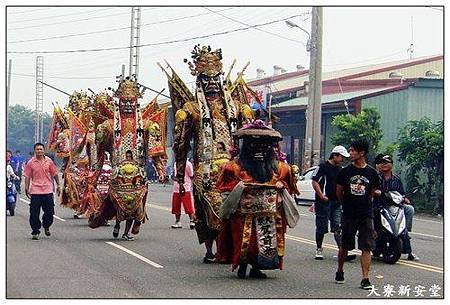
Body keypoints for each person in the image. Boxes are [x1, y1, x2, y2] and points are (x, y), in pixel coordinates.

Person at [164, 45, 254, 263]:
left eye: (216, 78)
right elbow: (181, 143)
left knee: (238, 210)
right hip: (206, 168)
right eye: (206, 79)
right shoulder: (192, 108)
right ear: (199, 80)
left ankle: (236, 248)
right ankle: (210, 249)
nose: (212, 84)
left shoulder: (236, 106)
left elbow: (249, 137)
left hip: (235, 167)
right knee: (209, 212)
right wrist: (179, 172)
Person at [216, 120, 299, 279]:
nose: (259, 149)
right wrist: (239, 188)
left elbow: (287, 189)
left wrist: (281, 186)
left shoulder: (282, 168)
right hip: (243, 213)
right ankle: (241, 264)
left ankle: (256, 267)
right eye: (254, 144)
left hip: (270, 214)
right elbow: (226, 189)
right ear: (246, 146)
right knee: (244, 239)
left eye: (264, 145)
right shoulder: (233, 167)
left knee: (264, 241)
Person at [335, 139, 379, 290]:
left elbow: (372, 192)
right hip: (349, 213)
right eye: (350, 150)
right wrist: (345, 204)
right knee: (345, 245)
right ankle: (340, 269)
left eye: (353, 150)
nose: (350, 153)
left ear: (362, 153)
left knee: (366, 245)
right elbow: (339, 191)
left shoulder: (372, 173)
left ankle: (365, 278)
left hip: (366, 214)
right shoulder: (345, 172)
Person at [311, 146, 356, 261]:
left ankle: (342, 251)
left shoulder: (341, 169)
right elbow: (315, 181)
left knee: (337, 227)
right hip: (324, 202)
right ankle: (319, 248)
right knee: (321, 226)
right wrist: (321, 195)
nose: (342, 160)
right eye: (341, 157)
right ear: (335, 155)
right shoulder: (323, 167)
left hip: (336, 201)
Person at [374, 154, 418, 261]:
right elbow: (372, 190)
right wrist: (377, 192)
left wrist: (405, 199)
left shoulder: (396, 179)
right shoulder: (376, 178)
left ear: (391, 165)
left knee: (409, 209)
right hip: (380, 204)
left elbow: (402, 193)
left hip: (395, 206)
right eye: (382, 163)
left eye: (387, 163)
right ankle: (373, 234)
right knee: (372, 211)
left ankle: (404, 231)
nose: (384, 165)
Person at [23, 143, 61, 240]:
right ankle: (35, 231)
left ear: (44, 150)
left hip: (48, 190)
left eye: (41, 149)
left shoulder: (49, 161)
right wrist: (27, 188)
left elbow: (55, 173)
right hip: (35, 191)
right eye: (37, 149)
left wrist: (58, 185)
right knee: (34, 213)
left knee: (50, 212)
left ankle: (46, 225)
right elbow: (27, 176)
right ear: (34, 151)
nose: (39, 151)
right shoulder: (31, 162)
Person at [171, 160, 195, 229]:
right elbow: (174, 175)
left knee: (188, 206)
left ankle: (192, 220)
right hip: (176, 187)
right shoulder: (175, 163)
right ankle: (177, 221)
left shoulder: (188, 164)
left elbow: (191, 175)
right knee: (176, 206)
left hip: (186, 187)